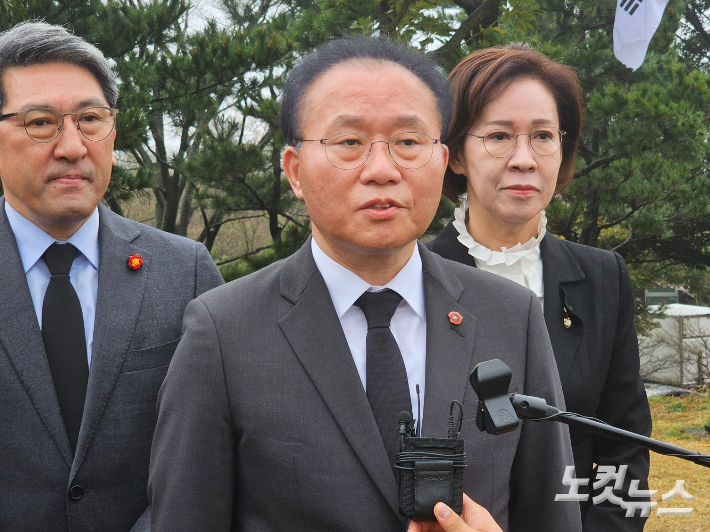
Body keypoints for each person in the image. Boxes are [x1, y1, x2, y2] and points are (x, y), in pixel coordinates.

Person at [148, 36, 581, 532]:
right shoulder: (223, 332)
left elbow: (553, 514)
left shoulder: (513, 315)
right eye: (349, 143)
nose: (382, 170)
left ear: (441, 162)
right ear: (294, 170)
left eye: (409, 143)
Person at [0, 21, 223, 532]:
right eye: (40, 123)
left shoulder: (185, 272)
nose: (73, 147)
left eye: (91, 120)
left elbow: (213, 449)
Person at [427, 45, 652, 531]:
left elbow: (625, 444)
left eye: (544, 136)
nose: (524, 159)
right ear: (455, 155)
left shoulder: (602, 277)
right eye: (499, 136)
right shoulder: (411, 278)